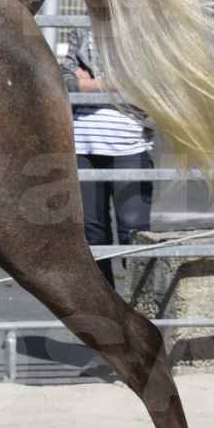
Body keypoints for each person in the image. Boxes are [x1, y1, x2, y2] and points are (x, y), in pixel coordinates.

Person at [59, 28, 153, 286]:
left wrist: (88, 83)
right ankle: (109, 311)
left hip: (129, 149)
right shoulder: (82, 30)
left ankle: (141, 305)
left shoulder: (143, 30)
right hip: (82, 149)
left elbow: (145, 84)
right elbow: (63, 82)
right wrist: (113, 84)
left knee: (134, 232)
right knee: (92, 234)